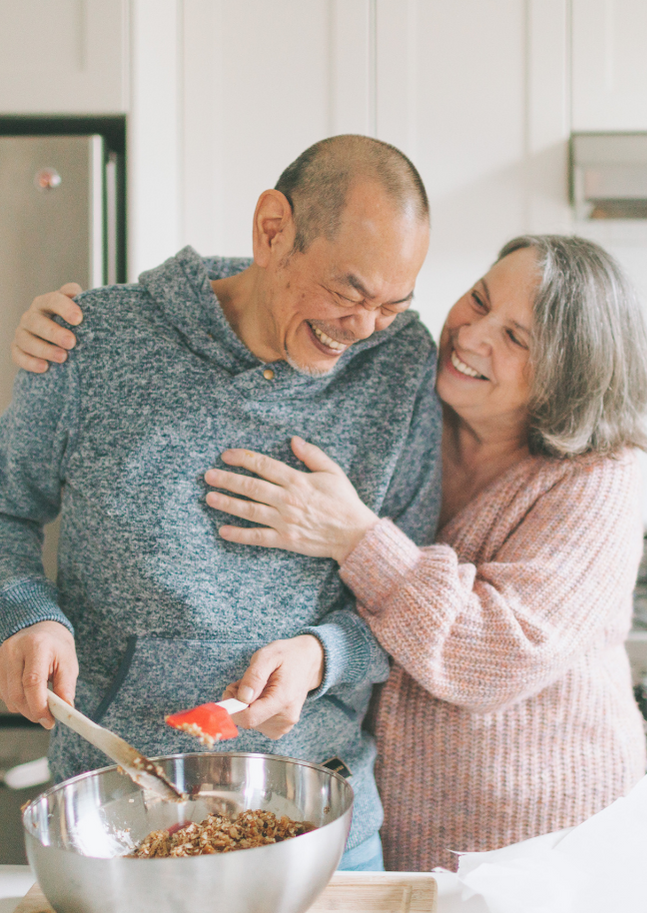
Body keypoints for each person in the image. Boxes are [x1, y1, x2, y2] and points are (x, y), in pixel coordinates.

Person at [0, 134, 441, 872]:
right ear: (273, 230)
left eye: (392, 305)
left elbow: (410, 593)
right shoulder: (96, 341)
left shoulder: (399, 368)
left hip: (318, 825)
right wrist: (27, 612)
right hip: (113, 824)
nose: (361, 330)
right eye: (347, 292)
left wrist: (320, 655)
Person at [143, 235, 647, 871]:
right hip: (397, 829)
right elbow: (279, 290)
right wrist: (109, 317)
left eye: (516, 337)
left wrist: (355, 537)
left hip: (551, 849)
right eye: (479, 299)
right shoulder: (412, 407)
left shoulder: (601, 475)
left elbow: (497, 653)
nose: (471, 335)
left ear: (572, 376)